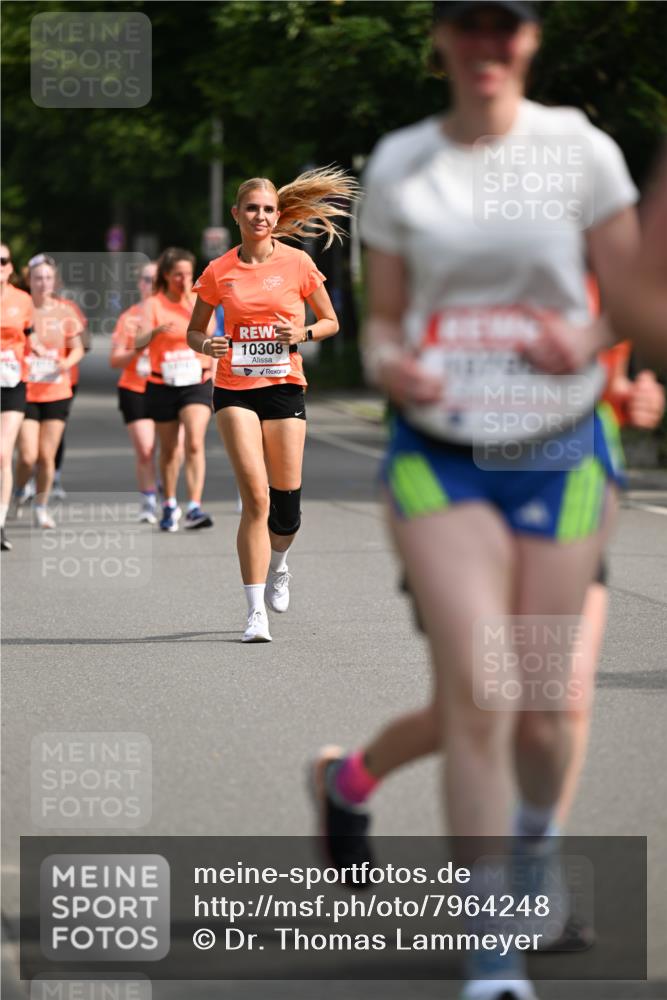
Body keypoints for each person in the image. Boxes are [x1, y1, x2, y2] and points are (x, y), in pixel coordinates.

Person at [312, 3, 641, 998]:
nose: (487, 48)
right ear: (444, 41)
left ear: (530, 41)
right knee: (485, 693)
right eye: (469, 27)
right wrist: (392, 366)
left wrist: (587, 350)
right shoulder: (404, 161)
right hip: (439, 455)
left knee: (546, 702)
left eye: (507, 30)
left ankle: (364, 785)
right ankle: (493, 960)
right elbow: (379, 327)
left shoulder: (578, 151)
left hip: (562, 452)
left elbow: (632, 296)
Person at [187, 167, 358, 642]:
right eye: (252, 209)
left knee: (286, 511)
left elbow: (330, 321)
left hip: (284, 386)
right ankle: (253, 611)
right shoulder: (218, 270)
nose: (260, 216)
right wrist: (208, 347)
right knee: (255, 498)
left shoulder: (299, 264)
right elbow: (194, 331)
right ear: (236, 214)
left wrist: (300, 333)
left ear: (277, 216)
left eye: (267, 210)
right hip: (235, 388)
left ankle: (280, 563)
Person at [134, 247, 215, 532]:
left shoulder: (198, 301)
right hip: (162, 383)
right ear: (166, 276)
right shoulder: (153, 304)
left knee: (194, 441)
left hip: (196, 381)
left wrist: (192, 307)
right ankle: (169, 503)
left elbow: (210, 337)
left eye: (188, 274)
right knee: (169, 450)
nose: (184, 280)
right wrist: (156, 331)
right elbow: (137, 342)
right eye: (178, 275)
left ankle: (194, 506)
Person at [110, 259, 185, 524]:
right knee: (145, 448)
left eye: (155, 279)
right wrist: (141, 347)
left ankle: (169, 491)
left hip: (172, 386)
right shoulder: (129, 317)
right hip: (136, 388)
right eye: (145, 279)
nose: (150, 284)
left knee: (175, 448)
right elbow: (115, 360)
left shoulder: (177, 310)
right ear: (139, 284)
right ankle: (149, 499)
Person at [13, 254, 84, 529]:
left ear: (54, 281)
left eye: (47, 278)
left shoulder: (64, 310)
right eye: (37, 278)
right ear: (29, 280)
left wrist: (64, 363)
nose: (43, 283)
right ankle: (20, 490)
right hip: (26, 390)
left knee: (46, 456)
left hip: (57, 391)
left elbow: (77, 347)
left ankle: (41, 507)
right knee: (28, 456)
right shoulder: (20, 309)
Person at [0, 243, 33, 550]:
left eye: (2, 261)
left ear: (10, 267)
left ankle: (0, 524)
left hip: (12, 384)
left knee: (2, 454)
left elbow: (32, 339)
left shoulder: (23, 301)